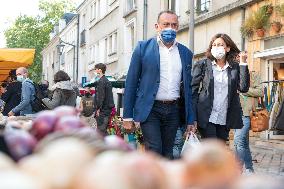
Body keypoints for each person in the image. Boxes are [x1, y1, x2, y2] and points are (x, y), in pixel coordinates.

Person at [123, 10, 195, 159]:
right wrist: (127, 116)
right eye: (166, 24)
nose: (170, 28)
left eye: (174, 25)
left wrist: (190, 119)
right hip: (151, 110)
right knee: (154, 149)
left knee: (168, 152)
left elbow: (188, 89)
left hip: (174, 110)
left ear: (178, 27)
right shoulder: (143, 48)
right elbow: (131, 82)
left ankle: (164, 181)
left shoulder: (185, 53)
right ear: (157, 26)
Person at [191, 33, 250, 142]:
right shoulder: (202, 64)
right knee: (212, 148)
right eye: (214, 45)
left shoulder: (234, 67)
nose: (216, 47)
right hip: (206, 116)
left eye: (220, 45)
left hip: (224, 117)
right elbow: (193, 91)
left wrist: (243, 63)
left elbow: (243, 88)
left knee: (220, 150)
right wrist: (192, 117)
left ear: (227, 48)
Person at [234, 71, 262, 174]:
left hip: (247, 114)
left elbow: (260, 92)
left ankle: (238, 168)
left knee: (238, 140)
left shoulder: (254, 75)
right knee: (242, 143)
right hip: (235, 114)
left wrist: (243, 91)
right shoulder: (233, 74)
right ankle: (249, 168)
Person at [94, 63, 115, 136]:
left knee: (101, 132)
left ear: (100, 70)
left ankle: (106, 146)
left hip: (103, 110)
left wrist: (98, 108)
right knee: (103, 130)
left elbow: (101, 96)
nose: (95, 71)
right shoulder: (107, 81)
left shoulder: (101, 81)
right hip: (107, 110)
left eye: (96, 69)